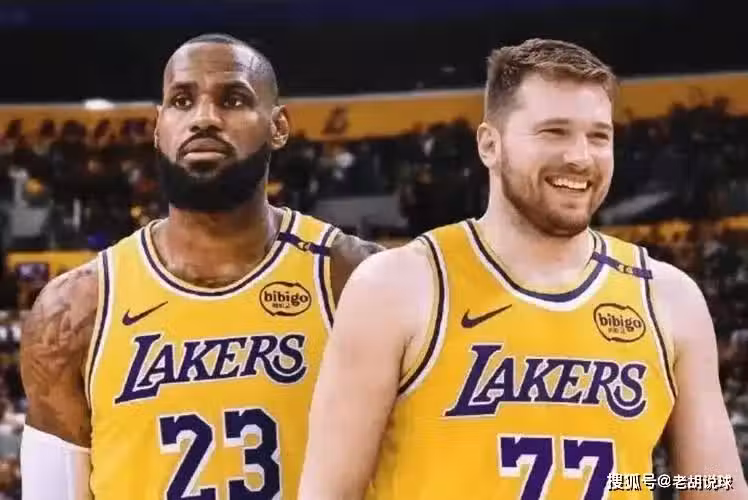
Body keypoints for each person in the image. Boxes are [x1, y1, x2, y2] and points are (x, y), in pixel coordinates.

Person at [298, 38, 748, 499]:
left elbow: (714, 486)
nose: (580, 157)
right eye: (554, 132)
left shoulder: (669, 299)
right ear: (489, 145)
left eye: (599, 136)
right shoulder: (395, 287)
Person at [20, 33, 382, 500]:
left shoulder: (357, 280)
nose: (205, 118)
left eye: (233, 99)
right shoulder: (75, 310)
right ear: (158, 127)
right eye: (182, 100)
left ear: (278, 126)